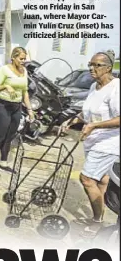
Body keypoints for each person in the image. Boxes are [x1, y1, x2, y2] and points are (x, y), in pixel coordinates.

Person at [59, 50, 119, 238]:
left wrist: (94, 125)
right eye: (90, 65)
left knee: (86, 179)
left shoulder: (116, 88)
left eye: (97, 65)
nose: (92, 68)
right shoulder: (94, 86)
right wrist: (71, 121)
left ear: (108, 68)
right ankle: (99, 216)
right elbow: (87, 114)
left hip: (108, 142)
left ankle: (97, 221)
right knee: (100, 180)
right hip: (93, 140)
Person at [0, 47, 34, 176]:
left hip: (16, 107)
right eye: (21, 58)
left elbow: (25, 92)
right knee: (0, 136)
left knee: (10, 136)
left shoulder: (24, 71)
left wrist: (30, 110)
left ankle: (3, 162)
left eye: (25, 59)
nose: (23, 61)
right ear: (13, 57)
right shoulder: (4, 70)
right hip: (2, 106)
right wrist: (6, 86)